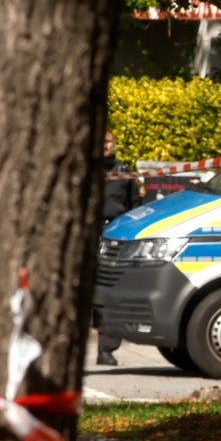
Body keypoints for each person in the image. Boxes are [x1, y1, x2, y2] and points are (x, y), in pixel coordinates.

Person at [97, 128, 140, 366]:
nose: (105, 146)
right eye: (102, 141)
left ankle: (106, 350)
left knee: (111, 294)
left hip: (115, 238)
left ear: (114, 144)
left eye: (108, 141)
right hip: (89, 237)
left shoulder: (125, 173)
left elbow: (136, 209)